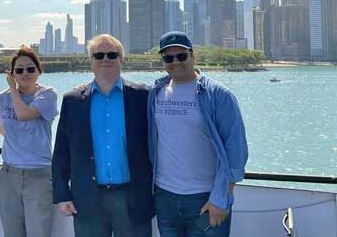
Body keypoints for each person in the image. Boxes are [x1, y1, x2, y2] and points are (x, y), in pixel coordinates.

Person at [148, 31, 248, 237]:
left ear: (193, 55)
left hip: (205, 199)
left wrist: (221, 197)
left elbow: (236, 152)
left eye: (181, 56)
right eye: (168, 57)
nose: (175, 62)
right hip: (165, 197)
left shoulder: (219, 95)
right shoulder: (155, 93)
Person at [52, 34, 153, 237]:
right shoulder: (73, 101)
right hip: (88, 199)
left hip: (132, 198)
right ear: (91, 61)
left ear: (122, 59)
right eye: (98, 55)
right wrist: (62, 194)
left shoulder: (143, 96)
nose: (105, 59)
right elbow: (61, 152)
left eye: (112, 54)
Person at [0, 47, 58, 237]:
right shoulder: (0, 99)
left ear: (39, 70)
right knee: (12, 232)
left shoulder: (47, 94)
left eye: (30, 68)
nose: (25, 73)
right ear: (12, 74)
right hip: (9, 174)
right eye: (19, 70)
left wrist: (13, 89)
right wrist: (16, 141)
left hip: (39, 174)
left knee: (38, 232)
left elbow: (24, 114)